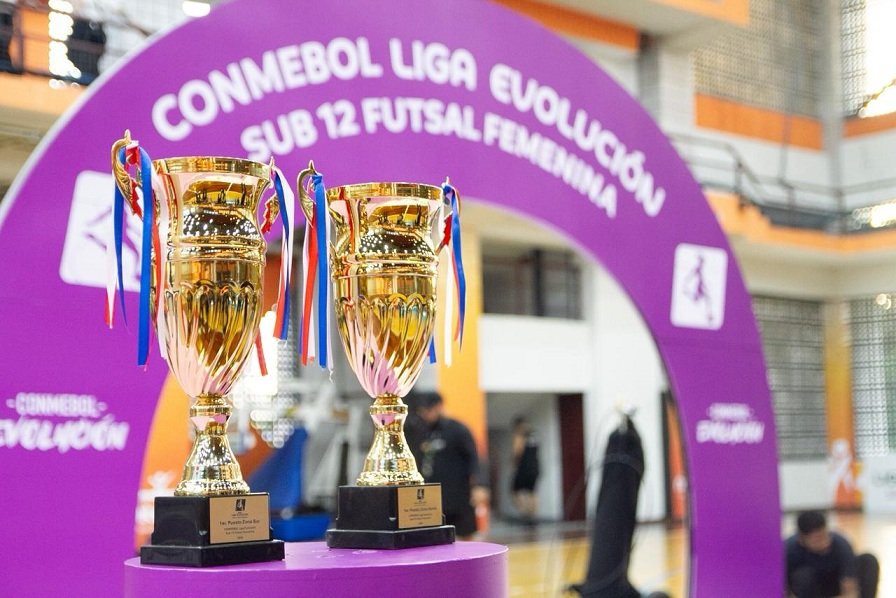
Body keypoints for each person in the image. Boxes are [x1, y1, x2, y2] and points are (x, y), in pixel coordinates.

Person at [405, 391, 489, 540]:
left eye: (428, 410)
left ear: (438, 407)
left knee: (465, 536)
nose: (425, 415)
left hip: (458, 495)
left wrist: (480, 485)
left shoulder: (458, 429)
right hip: (431, 499)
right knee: (434, 538)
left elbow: (474, 458)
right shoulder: (421, 432)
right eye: (422, 411)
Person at [785, 510, 879, 598]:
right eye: (817, 539)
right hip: (810, 588)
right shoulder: (789, 549)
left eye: (825, 536)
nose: (824, 542)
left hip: (835, 584)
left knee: (868, 560)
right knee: (802, 576)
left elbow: (850, 587)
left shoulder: (840, 544)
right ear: (801, 538)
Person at [511, 416, 540, 523]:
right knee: (532, 492)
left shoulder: (519, 436)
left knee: (515, 491)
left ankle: (525, 513)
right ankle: (533, 516)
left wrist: (513, 463)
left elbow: (517, 452)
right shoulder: (534, 436)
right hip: (535, 468)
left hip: (523, 468)